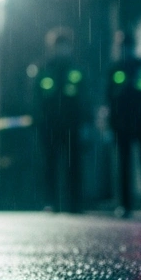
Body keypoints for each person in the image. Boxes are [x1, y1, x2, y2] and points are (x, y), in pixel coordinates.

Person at [107, 32, 141, 217]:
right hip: (123, 124)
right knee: (124, 166)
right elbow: (109, 99)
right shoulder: (115, 69)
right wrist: (112, 123)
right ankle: (125, 204)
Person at [34, 26, 87, 212]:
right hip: (50, 125)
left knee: (73, 164)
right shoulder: (43, 69)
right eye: (59, 45)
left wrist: (85, 123)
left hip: (72, 124)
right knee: (50, 164)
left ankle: (74, 203)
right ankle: (51, 202)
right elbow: (35, 98)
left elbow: (85, 97)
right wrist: (38, 122)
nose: (62, 49)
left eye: (65, 45)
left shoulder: (76, 68)